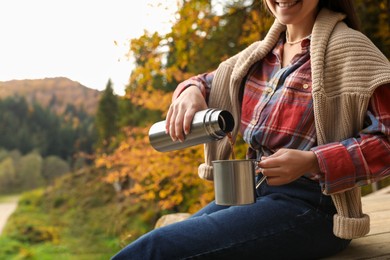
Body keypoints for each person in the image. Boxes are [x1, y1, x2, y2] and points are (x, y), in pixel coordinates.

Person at [112, 0, 390, 259]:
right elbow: (211, 81)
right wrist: (190, 90)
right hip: (253, 192)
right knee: (156, 242)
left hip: (313, 208)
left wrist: (314, 161)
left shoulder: (352, 49)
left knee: (157, 249)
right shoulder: (262, 55)